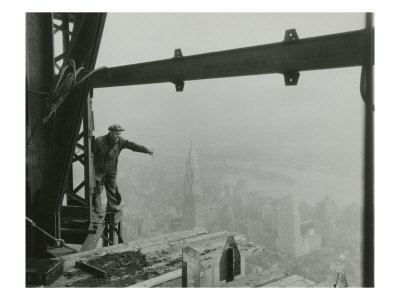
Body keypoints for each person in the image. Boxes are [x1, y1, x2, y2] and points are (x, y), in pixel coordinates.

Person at [92, 124, 153, 217]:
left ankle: (111, 207)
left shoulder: (120, 141)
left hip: (111, 170)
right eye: (117, 133)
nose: (118, 135)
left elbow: (133, 146)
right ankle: (97, 210)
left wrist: (147, 150)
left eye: (119, 133)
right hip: (99, 171)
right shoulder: (100, 141)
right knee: (97, 191)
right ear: (111, 132)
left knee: (112, 190)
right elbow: (91, 153)